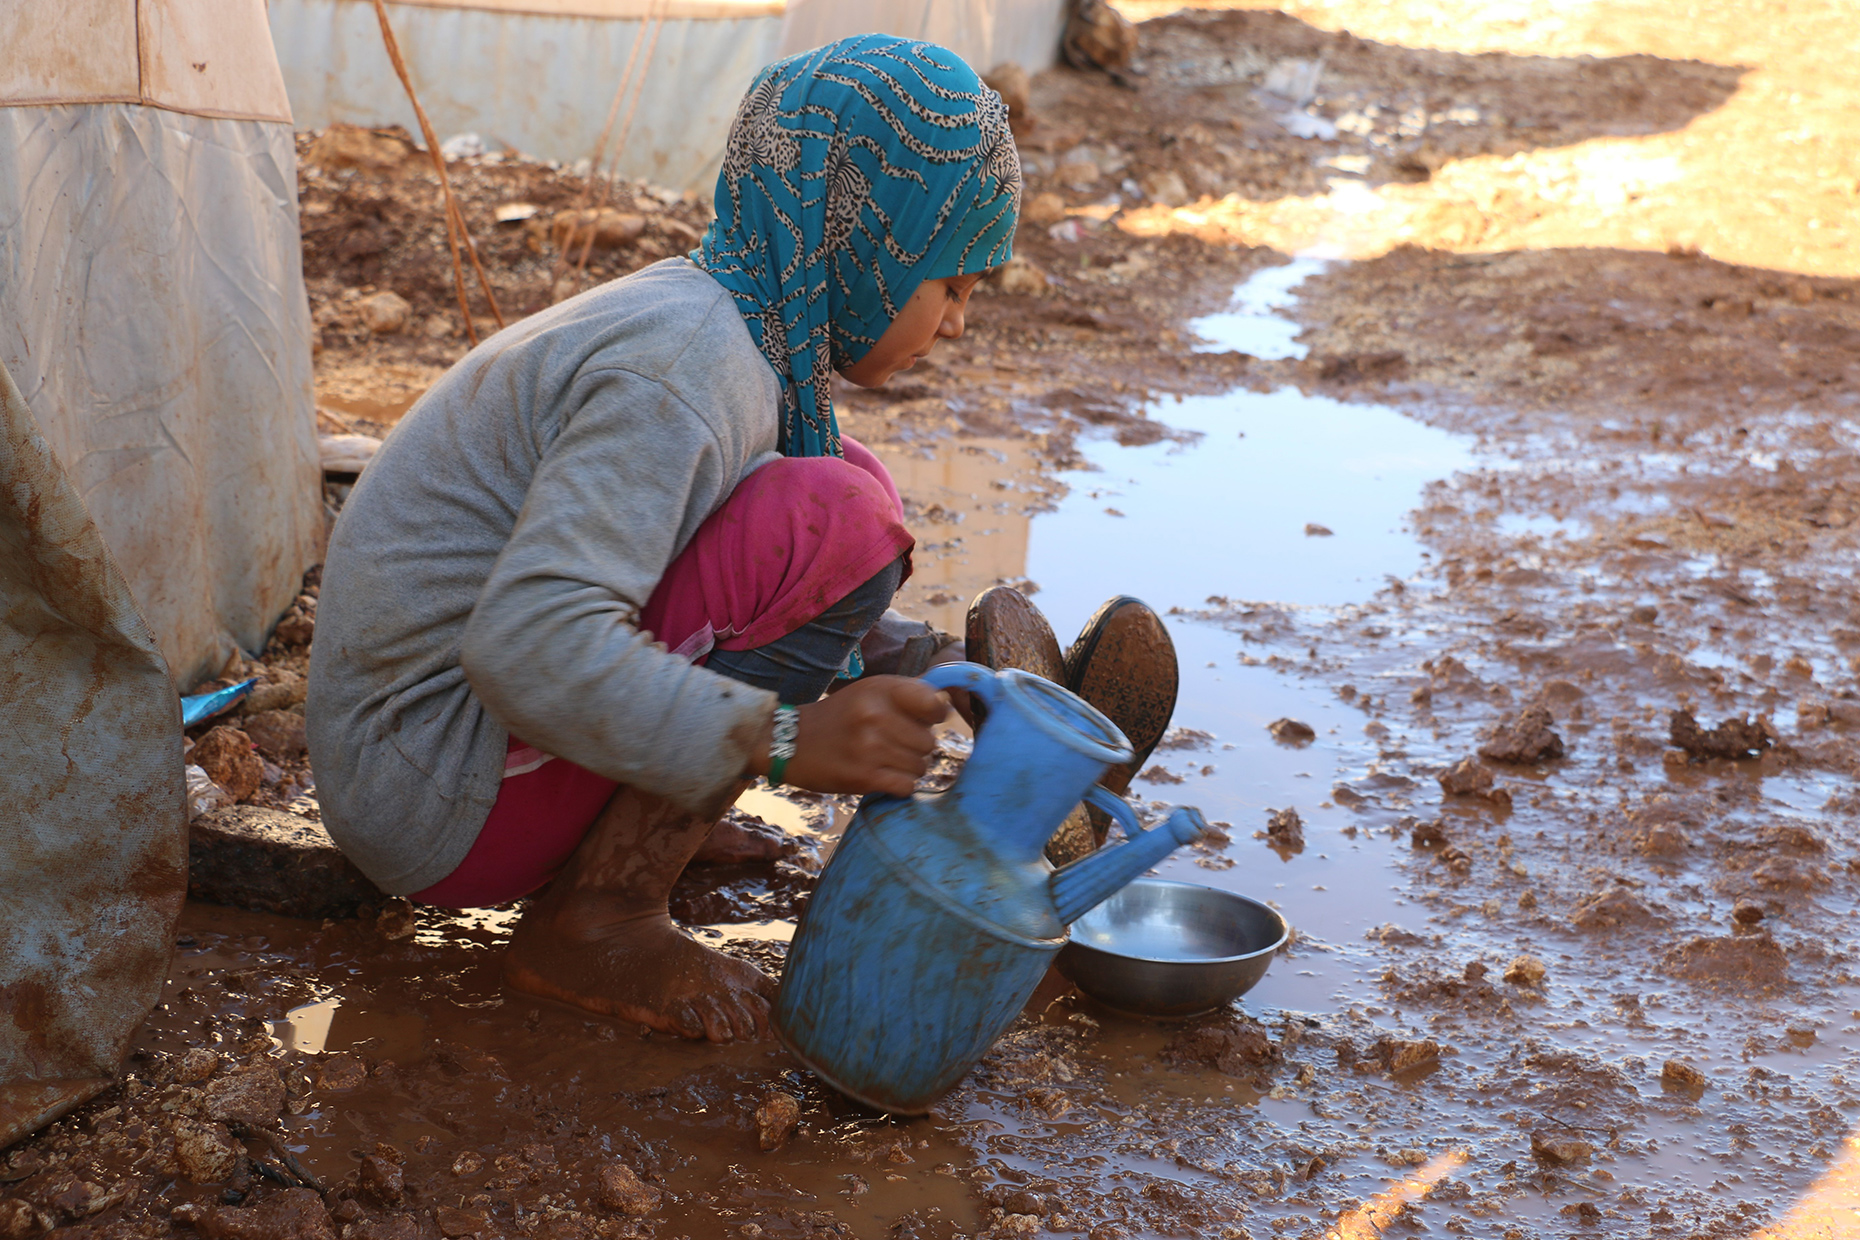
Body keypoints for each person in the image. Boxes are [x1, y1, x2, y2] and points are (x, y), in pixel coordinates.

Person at [307, 35, 1023, 1045]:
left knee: (848, 487)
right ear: (870, 242)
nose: (954, 324)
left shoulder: (733, 327)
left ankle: (640, 812)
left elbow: (710, 567)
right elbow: (528, 645)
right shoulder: (684, 370)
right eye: (952, 284)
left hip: (442, 748)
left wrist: (937, 666)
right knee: (835, 521)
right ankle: (598, 913)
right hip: (430, 793)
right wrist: (780, 743)